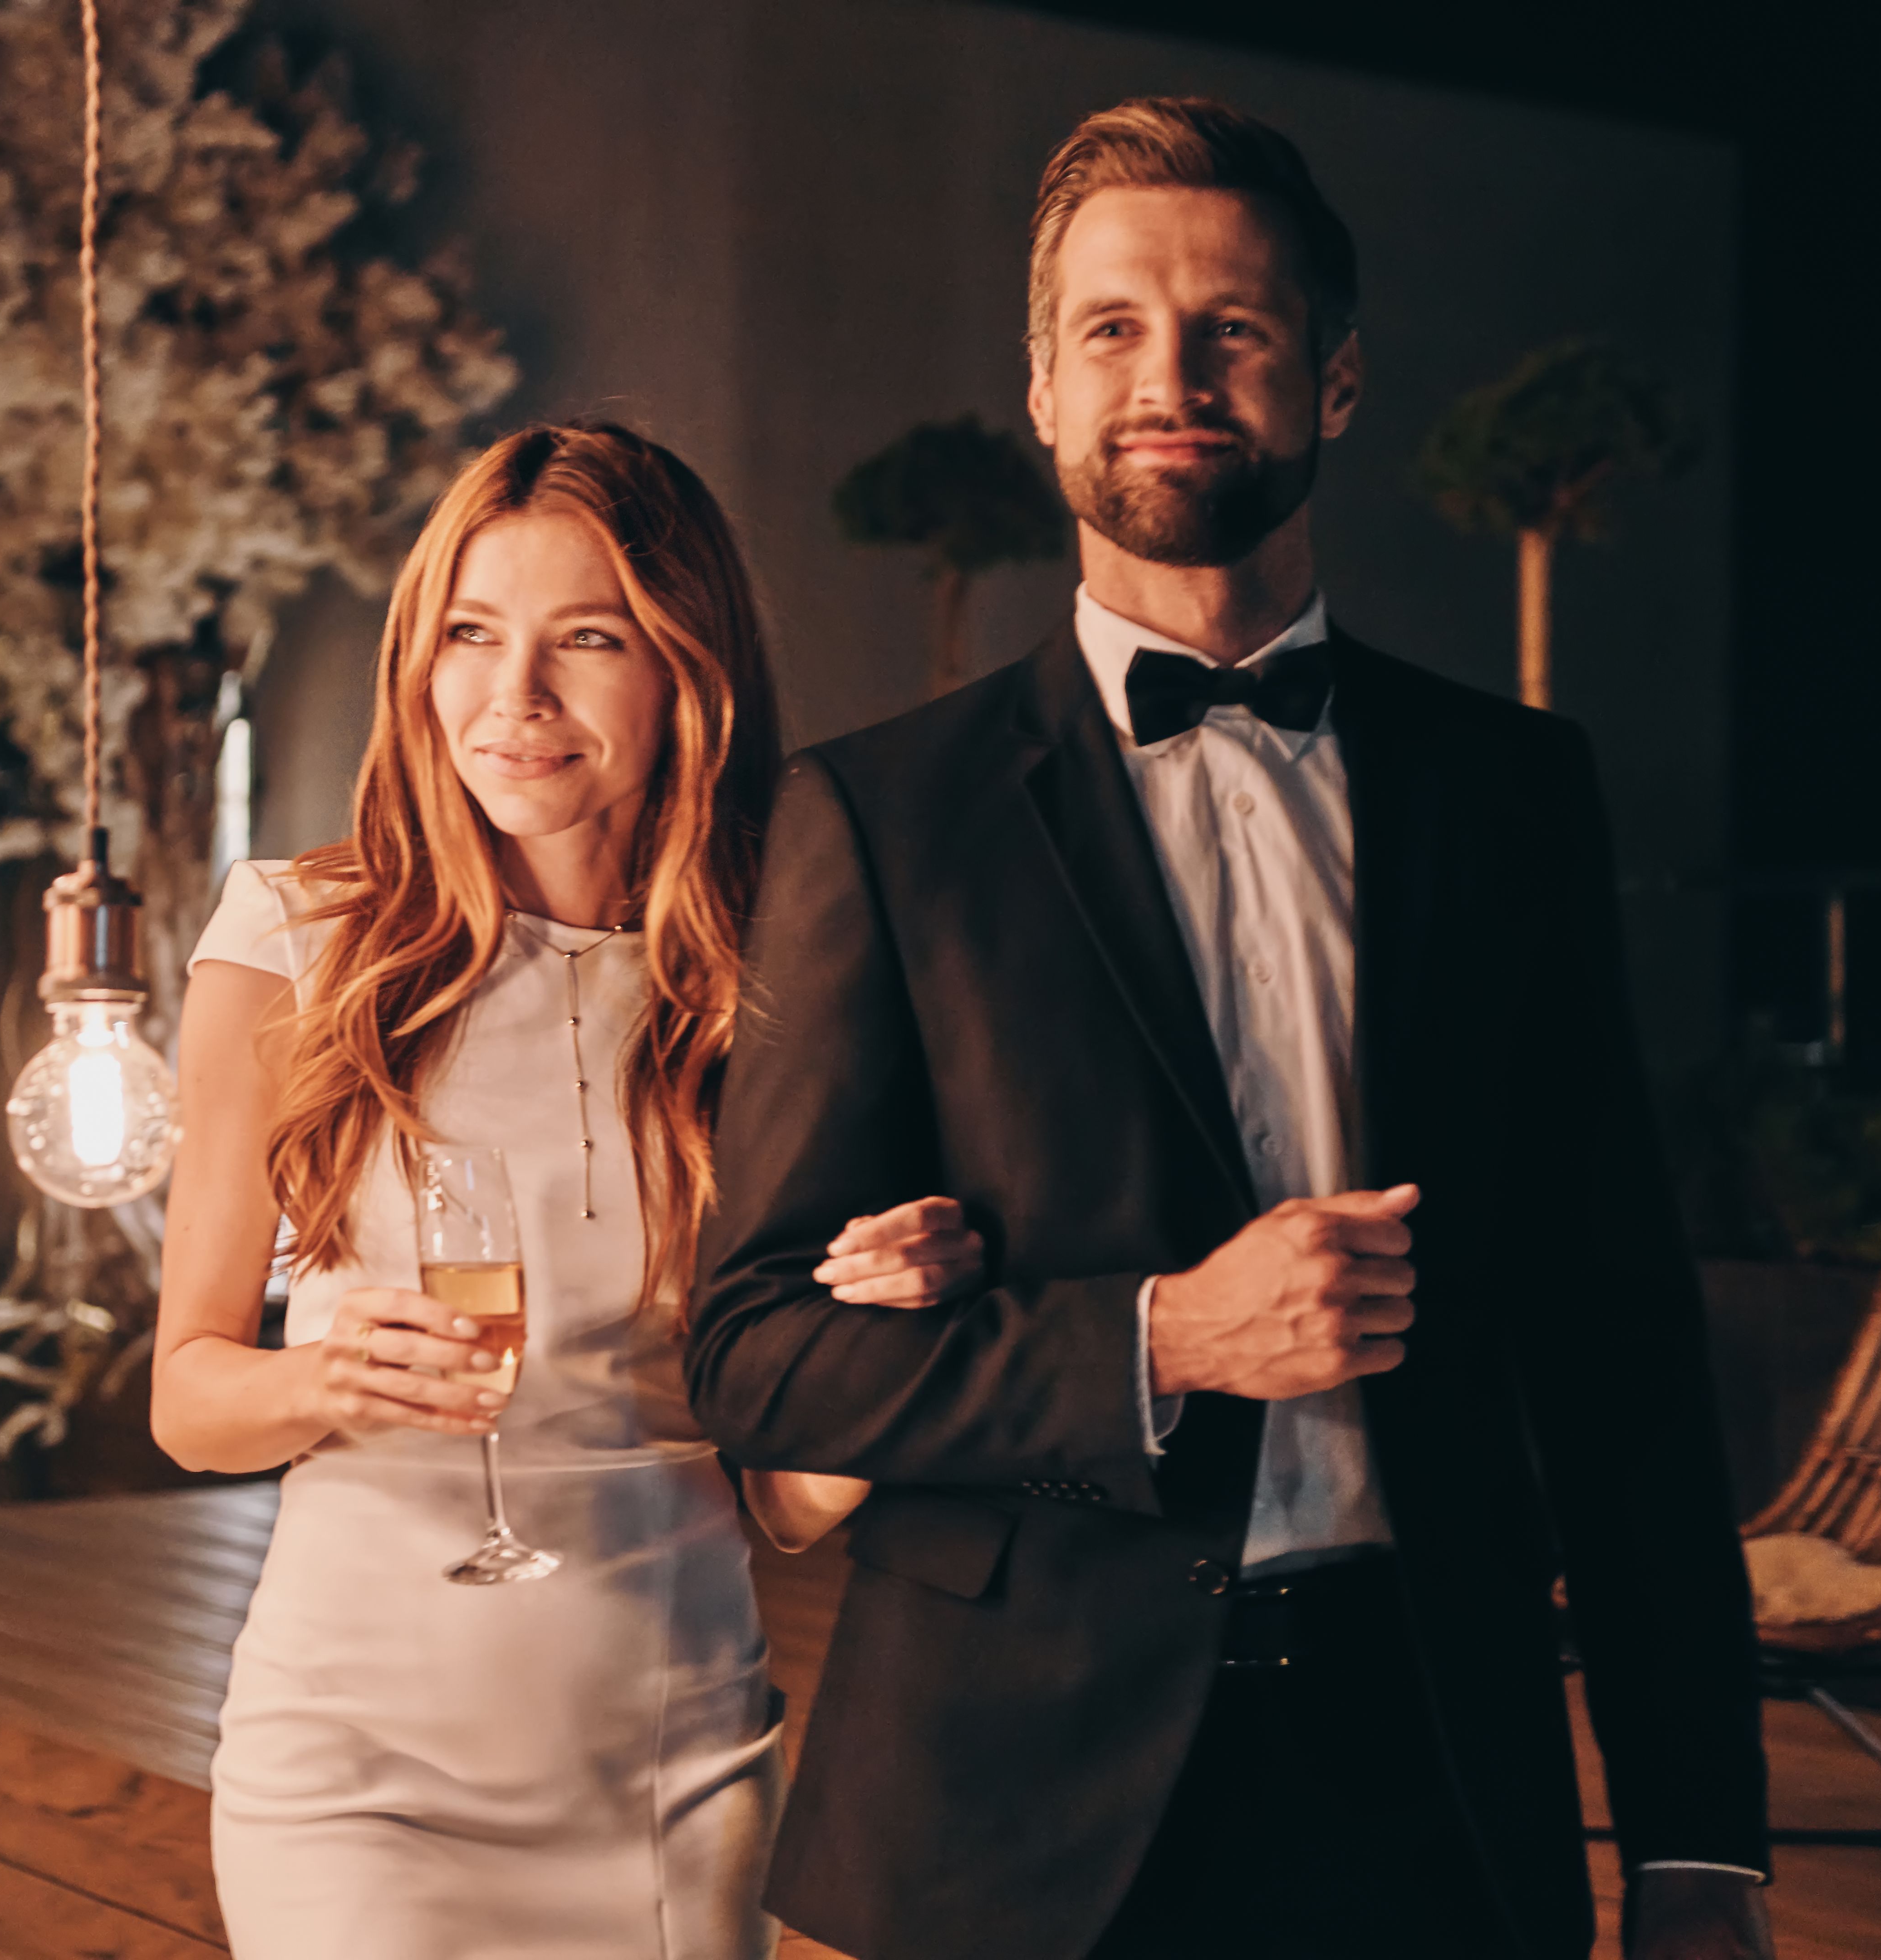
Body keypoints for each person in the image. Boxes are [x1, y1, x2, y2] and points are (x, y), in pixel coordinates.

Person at [688, 98, 1773, 1960]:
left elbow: (1622, 1349)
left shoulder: (1515, 793)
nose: (1168, 376)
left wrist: (1699, 1843)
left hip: (1430, 1772)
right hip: (1001, 1817)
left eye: (1233, 329)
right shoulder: (876, 814)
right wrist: (1166, 1337)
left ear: (1335, 381)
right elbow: (758, 1359)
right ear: (1040, 387)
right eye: (1111, 329)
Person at [153, 420, 978, 1960]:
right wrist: (328, 1377)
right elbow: (189, 1401)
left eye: (585, 639)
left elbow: (783, 1508)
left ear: (685, 669)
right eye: (471, 635)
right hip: (355, 1775)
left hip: (669, 1767)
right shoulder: (292, 940)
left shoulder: (776, 988)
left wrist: (899, 1347)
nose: (513, 699)